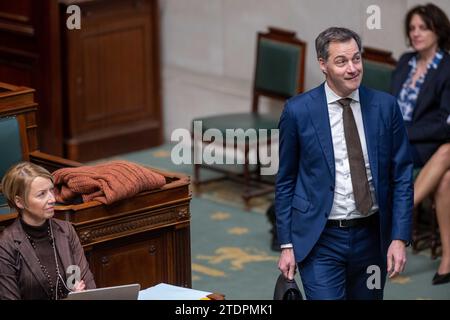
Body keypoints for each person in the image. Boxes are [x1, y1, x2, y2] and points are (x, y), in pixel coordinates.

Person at [276, 27, 413, 300]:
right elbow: (286, 180)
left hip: (372, 238)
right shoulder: (298, 111)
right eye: (341, 61)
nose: (352, 69)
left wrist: (399, 237)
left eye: (357, 59)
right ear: (323, 64)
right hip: (320, 239)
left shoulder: (385, 107)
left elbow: (402, 177)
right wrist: (287, 243)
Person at [390, 3, 450, 285]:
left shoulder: (448, 68)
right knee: (446, 181)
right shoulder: (405, 61)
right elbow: (390, 105)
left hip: (425, 144)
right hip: (395, 140)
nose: (416, 33)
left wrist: (403, 132)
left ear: (437, 30)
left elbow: (444, 122)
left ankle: (395, 215)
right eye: (412, 28)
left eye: (423, 28)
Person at [0, 162, 96, 299]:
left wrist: (80, 294)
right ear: (19, 202)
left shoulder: (66, 230)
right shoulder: (6, 245)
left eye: (51, 190)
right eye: (41, 194)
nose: (52, 199)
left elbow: (86, 284)